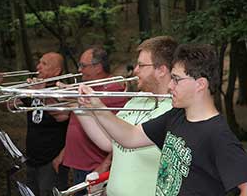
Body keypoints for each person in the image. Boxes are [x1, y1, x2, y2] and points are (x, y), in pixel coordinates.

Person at [78, 44, 247, 195]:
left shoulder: (218, 134)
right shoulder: (176, 116)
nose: (170, 85)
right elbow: (130, 137)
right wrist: (96, 106)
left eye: (176, 79)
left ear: (200, 84)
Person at [75, 36, 177, 196]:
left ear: (161, 70)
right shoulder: (137, 100)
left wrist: (97, 105)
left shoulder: (175, 110)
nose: (135, 70)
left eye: (141, 65)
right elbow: (109, 142)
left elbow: (131, 137)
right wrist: (78, 106)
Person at [0, 52, 70, 196]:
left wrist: (41, 93)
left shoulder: (63, 90)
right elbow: (5, 106)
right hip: (32, 160)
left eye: (44, 64)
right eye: (39, 62)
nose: (38, 67)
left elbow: (62, 116)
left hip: (52, 161)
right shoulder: (34, 87)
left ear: (56, 71)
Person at [54, 46, 128, 195]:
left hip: (94, 166)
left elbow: (120, 134)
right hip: (79, 163)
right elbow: (71, 120)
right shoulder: (87, 87)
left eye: (83, 65)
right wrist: (65, 151)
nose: (79, 69)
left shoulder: (112, 91)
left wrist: (105, 165)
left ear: (98, 67)